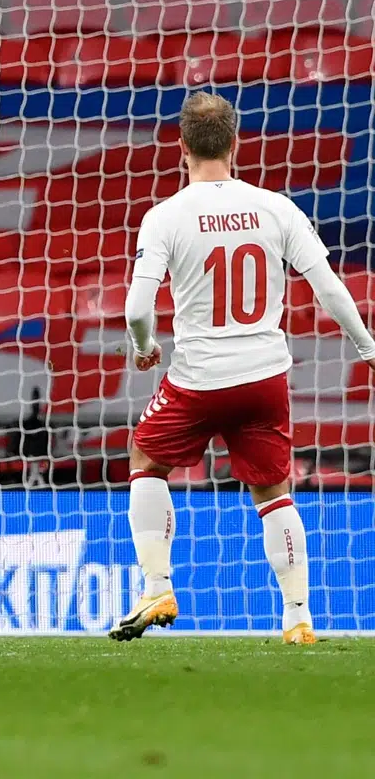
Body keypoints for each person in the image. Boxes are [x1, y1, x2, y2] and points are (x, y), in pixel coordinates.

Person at [113, 92, 375, 645]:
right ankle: (298, 618)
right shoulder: (276, 208)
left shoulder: (165, 216)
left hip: (199, 379)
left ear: (181, 146)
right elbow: (329, 287)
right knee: (274, 492)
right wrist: (367, 347)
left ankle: (158, 586)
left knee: (146, 459)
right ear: (235, 143)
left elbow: (137, 308)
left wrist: (144, 346)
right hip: (264, 378)